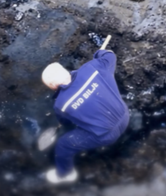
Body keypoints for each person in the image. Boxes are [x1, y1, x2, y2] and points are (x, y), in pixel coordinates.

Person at [41, 49, 129, 184]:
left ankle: (65, 174)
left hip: (106, 136)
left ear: (53, 86)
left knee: (63, 145)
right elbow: (110, 55)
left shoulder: (60, 105)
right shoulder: (93, 67)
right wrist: (98, 54)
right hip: (125, 115)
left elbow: (66, 123)